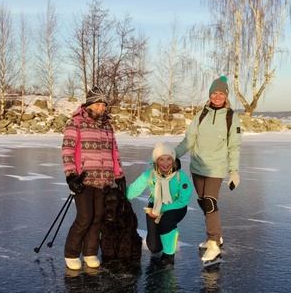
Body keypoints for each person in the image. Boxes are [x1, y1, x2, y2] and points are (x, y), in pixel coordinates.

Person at [174, 76, 241, 266]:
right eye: (214, 93)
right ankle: (215, 236)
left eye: (221, 93)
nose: (217, 96)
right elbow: (189, 140)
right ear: (210, 95)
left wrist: (234, 171)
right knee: (204, 202)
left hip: (215, 168)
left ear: (226, 96)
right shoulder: (201, 114)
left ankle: (213, 244)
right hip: (197, 167)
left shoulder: (231, 117)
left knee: (210, 202)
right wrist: (174, 154)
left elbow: (234, 146)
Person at [61, 86, 125, 271]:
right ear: (89, 105)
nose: (101, 108)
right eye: (97, 104)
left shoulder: (107, 126)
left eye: (103, 105)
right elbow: (68, 151)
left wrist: (119, 175)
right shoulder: (76, 123)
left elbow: (114, 152)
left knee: (98, 217)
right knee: (85, 217)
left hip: (104, 180)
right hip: (84, 180)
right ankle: (72, 253)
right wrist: (71, 175)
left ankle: (90, 253)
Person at [126, 142, 193, 267]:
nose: (165, 163)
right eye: (161, 159)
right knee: (154, 247)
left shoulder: (180, 177)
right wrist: (119, 196)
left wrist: (160, 209)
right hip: (155, 206)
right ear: (156, 161)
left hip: (176, 207)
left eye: (168, 159)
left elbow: (183, 201)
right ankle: (165, 238)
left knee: (166, 222)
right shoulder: (149, 174)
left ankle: (169, 254)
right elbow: (134, 190)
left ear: (173, 160)